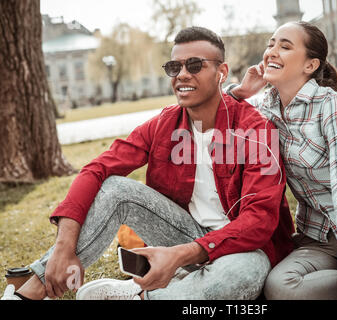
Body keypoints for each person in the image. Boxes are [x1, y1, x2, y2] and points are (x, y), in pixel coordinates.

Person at [1, 26, 295, 300]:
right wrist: (64, 247)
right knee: (115, 189)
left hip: (242, 248)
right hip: (183, 234)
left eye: (195, 65)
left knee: (245, 271)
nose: (182, 74)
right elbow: (96, 170)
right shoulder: (163, 124)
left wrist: (181, 255)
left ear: (222, 72)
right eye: (174, 67)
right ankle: (31, 289)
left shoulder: (256, 130)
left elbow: (259, 221)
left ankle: (140, 294)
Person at [226, 21, 337, 300]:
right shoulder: (264, 108)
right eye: (271, 44)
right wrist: (241, 92)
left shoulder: (331, 104)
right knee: (279, 287)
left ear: (310, 65)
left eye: (285, 46)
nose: (271, 51)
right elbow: (217, 121)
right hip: (318, 237)